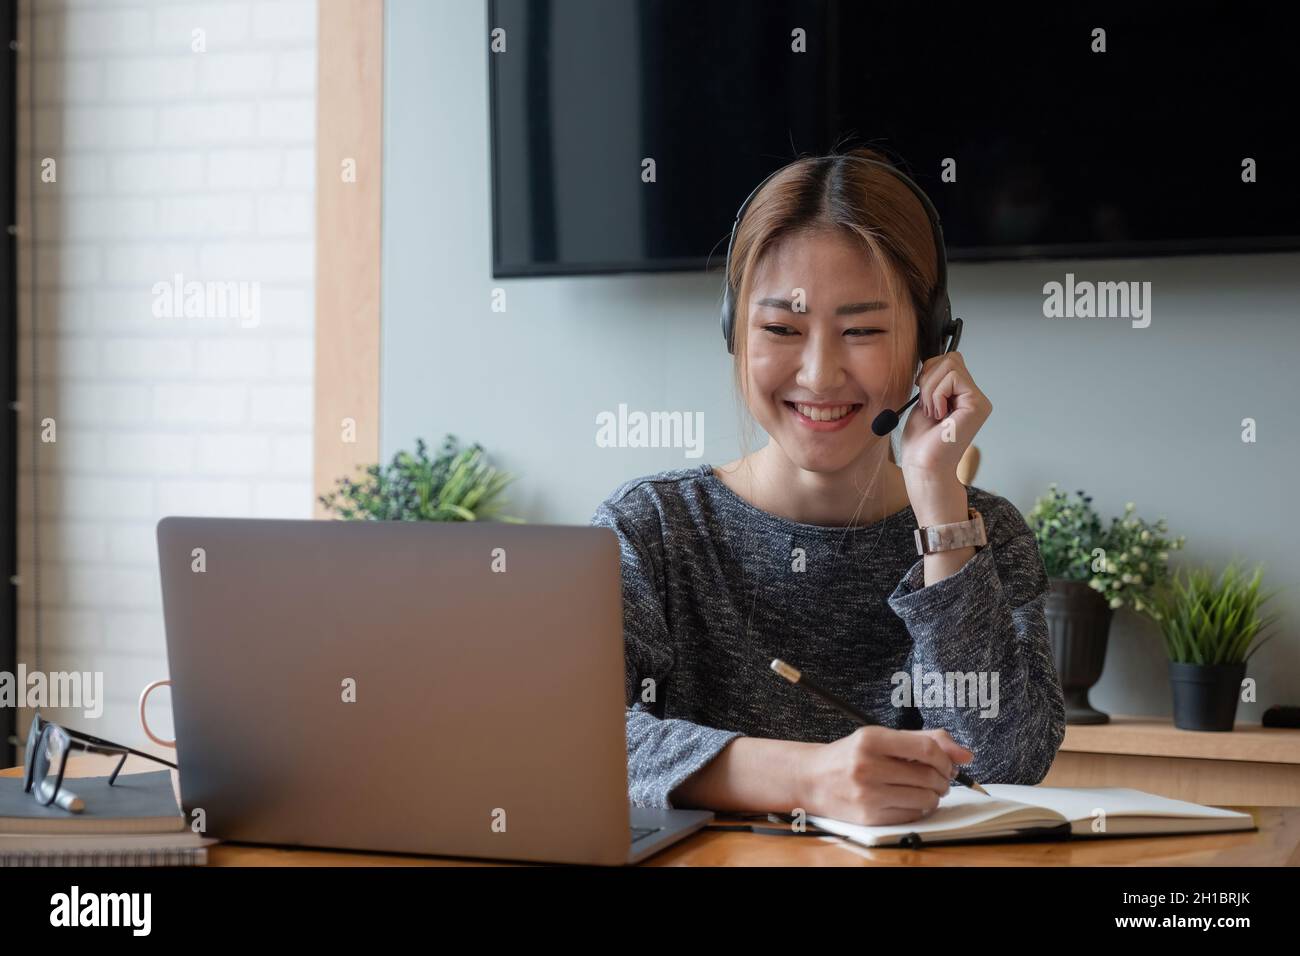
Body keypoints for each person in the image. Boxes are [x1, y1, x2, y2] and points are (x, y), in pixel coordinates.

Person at [589, 147, 1065, 827]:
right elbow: (583, 738)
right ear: (734, 333)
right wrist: (807, 777)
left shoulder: (983, 532)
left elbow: (1005, 762)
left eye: (863, 330)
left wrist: (940, 510)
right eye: (782, 328)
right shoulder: (650, 529)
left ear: (931, 343)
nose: (819, 374)